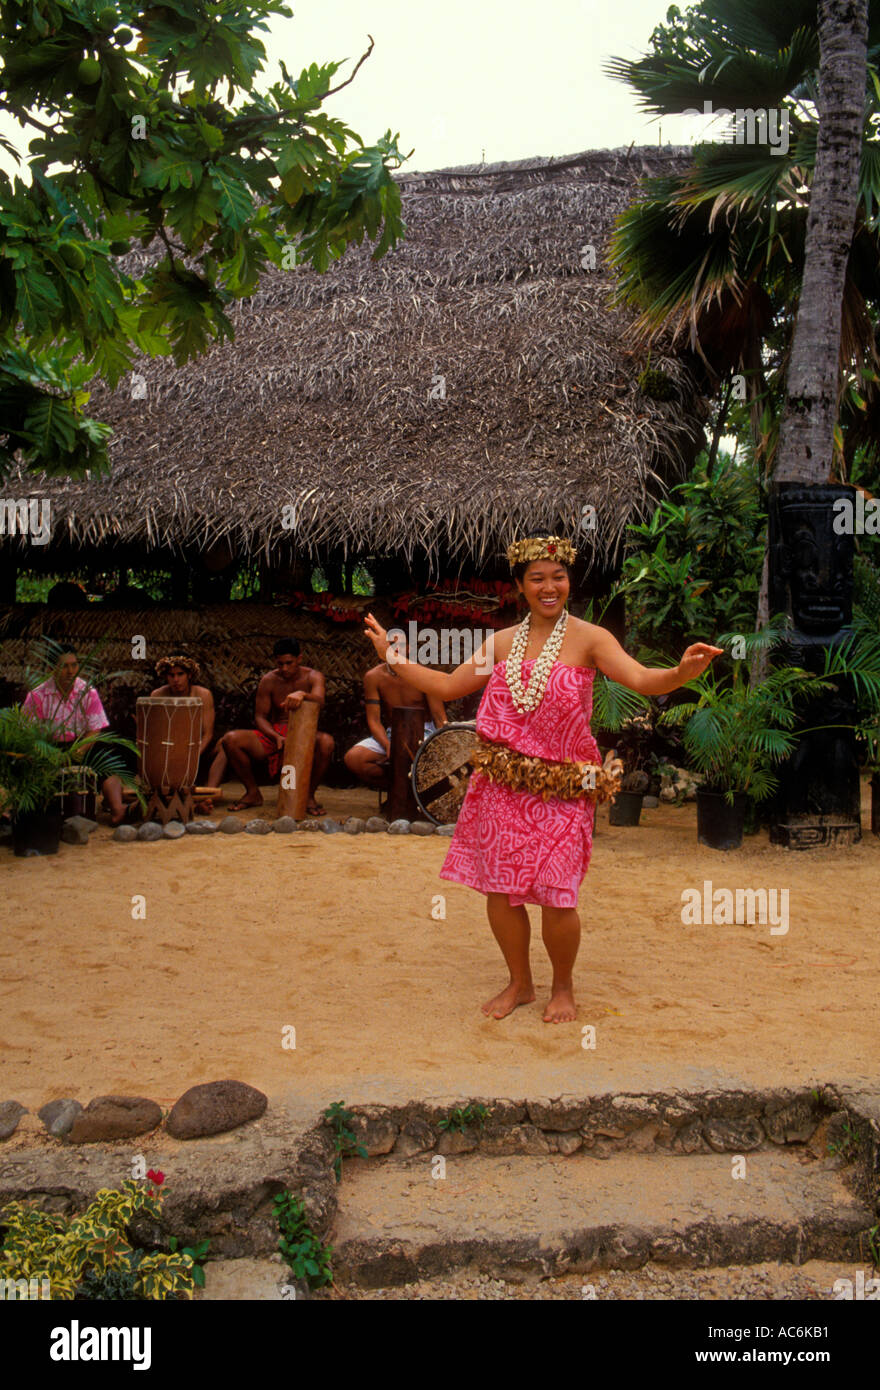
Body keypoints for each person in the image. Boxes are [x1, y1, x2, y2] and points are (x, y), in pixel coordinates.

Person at [364, 535, 723, 1025]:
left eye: (558, 576)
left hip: (565, 785)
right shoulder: (501, 644)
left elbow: (641, 679)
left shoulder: (591, 639)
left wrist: (681, 673)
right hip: (502, 784)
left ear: (569, 582)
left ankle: (562, 986)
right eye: (537, 578)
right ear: (520, 586)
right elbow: (448, 686)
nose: (549, 586)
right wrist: (394, 656)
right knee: (501, 890)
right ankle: (520, 982)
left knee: (558, 893)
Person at [203, 639, 334, 814]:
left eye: (289, 663)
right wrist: (275, 736)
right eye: (280, 664)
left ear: (299, 659)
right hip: (276, 733)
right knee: (231, 739)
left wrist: (303, 694)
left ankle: (309, 796)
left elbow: (320, 700)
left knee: (327, 742)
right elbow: (260, 717)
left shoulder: (313, 676)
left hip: (305, 733)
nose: (285, 668)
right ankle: (252, 793)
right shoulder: (269, 680)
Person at [21, 645, 127, 825]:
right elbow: (28, 734)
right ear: (50, 669)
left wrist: (79, 750)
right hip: (48, 748)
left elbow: (95, 728)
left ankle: (118, 810)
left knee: (108, 762)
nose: (70, 671)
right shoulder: (37, 695)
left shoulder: (87, 692)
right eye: (64, 666)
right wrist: (49, 753)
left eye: (74, 665)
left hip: (81, 744)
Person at [344, 655, 447, 790]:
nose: (396, 649)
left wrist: (445, 745)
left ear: (409, 647)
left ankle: (415, 795)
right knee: (354, 758)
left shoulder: (424, 675)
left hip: (425, 734)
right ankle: (398, 793)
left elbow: (439, 717)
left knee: (422, 762)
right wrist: (388, 746)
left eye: (401, 644)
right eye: (391, 644)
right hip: (392, 734)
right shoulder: (374, 677)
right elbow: (374, 720)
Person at [149, 655, 219, 791]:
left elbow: (208, 734)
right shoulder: (157, 695)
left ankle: (209, 793)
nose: (176, 680)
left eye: (180, 674)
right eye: (171, 675)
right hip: (169, 752)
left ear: (189, 675)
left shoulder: (203, 695)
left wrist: (192, 757)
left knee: (224, 745)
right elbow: (155, 734)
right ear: (165, 676)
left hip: (198, 751)